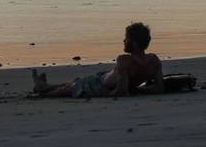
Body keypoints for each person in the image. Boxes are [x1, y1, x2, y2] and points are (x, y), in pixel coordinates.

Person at [31, 22, 164, 98]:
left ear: (134, 43)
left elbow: (121, 91)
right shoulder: (154, 61)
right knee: (75, 81)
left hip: (98, 85)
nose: (124, 41)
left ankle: (42, 90)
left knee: (68, 89)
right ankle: (44, 86)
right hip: (102, 78)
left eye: (126, 38)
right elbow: (159, 88)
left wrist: (111, 93)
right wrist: (138, 90)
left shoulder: (125, 60)